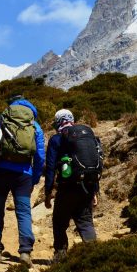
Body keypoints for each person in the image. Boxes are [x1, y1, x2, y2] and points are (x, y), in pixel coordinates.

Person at [0, 94, 45, 265]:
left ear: (11, 106)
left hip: (1, 171)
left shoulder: (0, 119)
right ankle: (25, 252)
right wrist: (35, 178)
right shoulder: (34, 125)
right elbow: (39, 157)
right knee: (23, 213)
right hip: (24, 175)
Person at [44, 109, 102, 262]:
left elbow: (50, 168)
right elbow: (95, 163)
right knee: (85, 221)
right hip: (88, 185)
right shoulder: (89, 137)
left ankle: (60, 257)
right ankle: (95, 259)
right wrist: (95, 190)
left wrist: (48, 192)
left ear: (57, 122)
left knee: (59, 222)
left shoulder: (57, 139)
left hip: (67, 188)